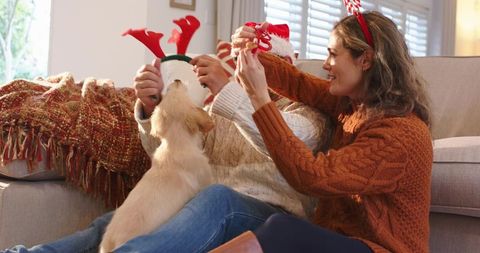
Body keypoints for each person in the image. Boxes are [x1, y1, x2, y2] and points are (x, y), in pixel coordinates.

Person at [1, 45, 329, 252]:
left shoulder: (307, 112)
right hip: (202, 202)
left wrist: (238, 93)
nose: (236, 61)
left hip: (263, 209)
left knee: (217, 198)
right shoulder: (224, 107)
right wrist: (152, 106)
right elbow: (170, 154)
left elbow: (289, 141)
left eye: (249, 54)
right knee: (124, 218)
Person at [213, 10, 433, 253]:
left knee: (282, 230)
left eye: (333, 54)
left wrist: (258, 98)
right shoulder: (353, 104)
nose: (326, 64)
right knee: (225, 203)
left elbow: (312, 176)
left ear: (365, 60)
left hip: (380, 249)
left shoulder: (401, 135)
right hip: (340, 240)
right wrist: (249, 51)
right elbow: (296, 82)